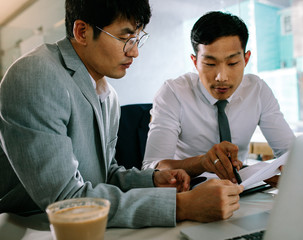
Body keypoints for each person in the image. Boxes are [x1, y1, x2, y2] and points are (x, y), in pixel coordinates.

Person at [0, 1, 243, 228]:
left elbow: (105, 175)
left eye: (137, 39)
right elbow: (66, 201)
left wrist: (154, 180)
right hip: (32, 228)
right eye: (124, 38)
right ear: (82, 32)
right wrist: (182, 206)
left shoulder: (108, 95)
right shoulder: (35, 74)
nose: (134, 52)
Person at [142, 11, 295, 182]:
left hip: (241, 189)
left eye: (232, 63)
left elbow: (290, 153)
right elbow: (151, 168)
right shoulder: (173, 92)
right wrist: (202, 163)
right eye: (210, 64)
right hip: (188, 191)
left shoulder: (257, 90)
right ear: (195, 62)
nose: (221, 77)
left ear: (246, 59)